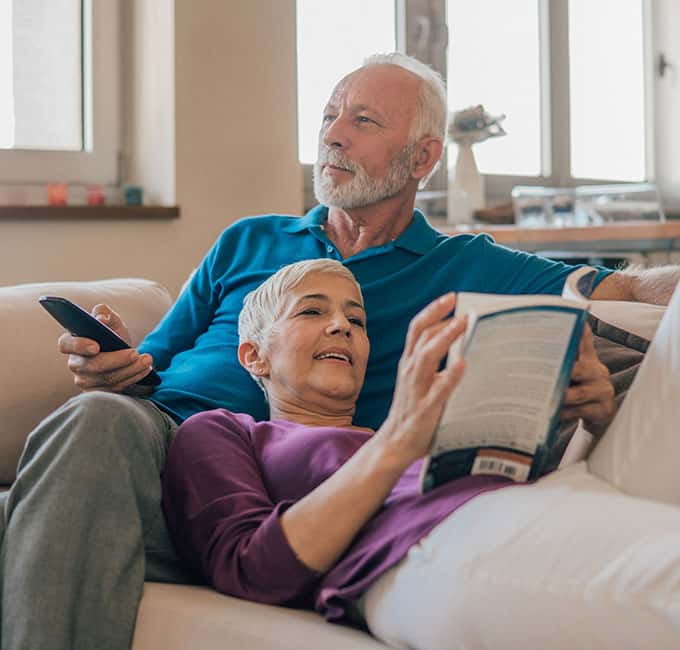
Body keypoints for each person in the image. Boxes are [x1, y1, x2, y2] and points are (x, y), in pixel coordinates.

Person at [0, 51, 677, 650]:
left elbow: (631, 286)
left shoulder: (467, 262)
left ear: (423, 158)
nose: (332, 133)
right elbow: (151, 364)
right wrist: (112, 365)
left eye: (362, 120)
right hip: (156, 445)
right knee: (100, 420)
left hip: (284, 483)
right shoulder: (248, 240)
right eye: (328, 115)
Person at [161, 258, 616, 623]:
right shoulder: (224, 431)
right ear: (254, 355)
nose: (342, 326)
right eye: (312, 310)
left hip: (542, 510)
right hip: (428, 550)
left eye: (356, 320)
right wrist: (398, 443)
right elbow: (251, 569)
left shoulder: (407, 432)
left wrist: (592, 426)